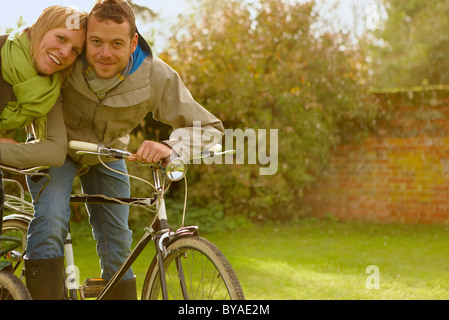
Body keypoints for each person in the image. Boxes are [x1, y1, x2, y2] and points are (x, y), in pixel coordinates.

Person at [5, 0, 224, 300]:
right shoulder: (67, 60)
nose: (104, 53)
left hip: (108, 154)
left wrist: (170, 146)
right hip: (58, 152)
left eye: (117, 43)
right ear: (86, 38)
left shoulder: (154, 76)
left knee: (119, 240)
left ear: (134, 42)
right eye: (95, 42)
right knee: (52, 218)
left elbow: (209, 127)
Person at [0, 6, 87, 235]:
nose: (66, 52)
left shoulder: (48, 88)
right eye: (61, 38)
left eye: (75, 51)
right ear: (40, 27)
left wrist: (9, 150)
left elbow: (55, 151)